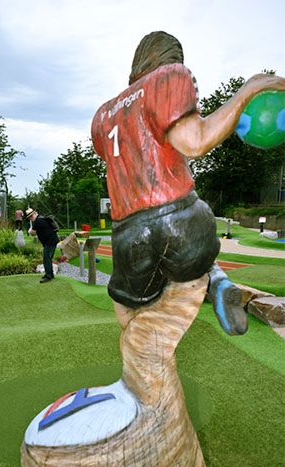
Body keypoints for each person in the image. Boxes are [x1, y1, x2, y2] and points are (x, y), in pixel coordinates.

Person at [90, 30, 285, 335]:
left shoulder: (104, 113)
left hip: (129, 233)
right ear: (171, 59)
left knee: (130, 309)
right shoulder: (169, 77)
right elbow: (194, 142)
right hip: (182, 216)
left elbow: (116, 154)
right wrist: (249, 89)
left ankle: (143, 366)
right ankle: (218, 282)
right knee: (194, 259)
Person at [25, 207, 59, 283]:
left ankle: (48, 276)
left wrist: (30, 230)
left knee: (46, 259)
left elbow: (33, 233)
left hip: (50, 242)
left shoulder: (38, 221)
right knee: (48, 258)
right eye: (29, 217)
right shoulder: (40, 218)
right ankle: (50, 274)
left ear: (34, 214)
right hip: (52, 241)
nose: (30, 218)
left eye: (31, 216)